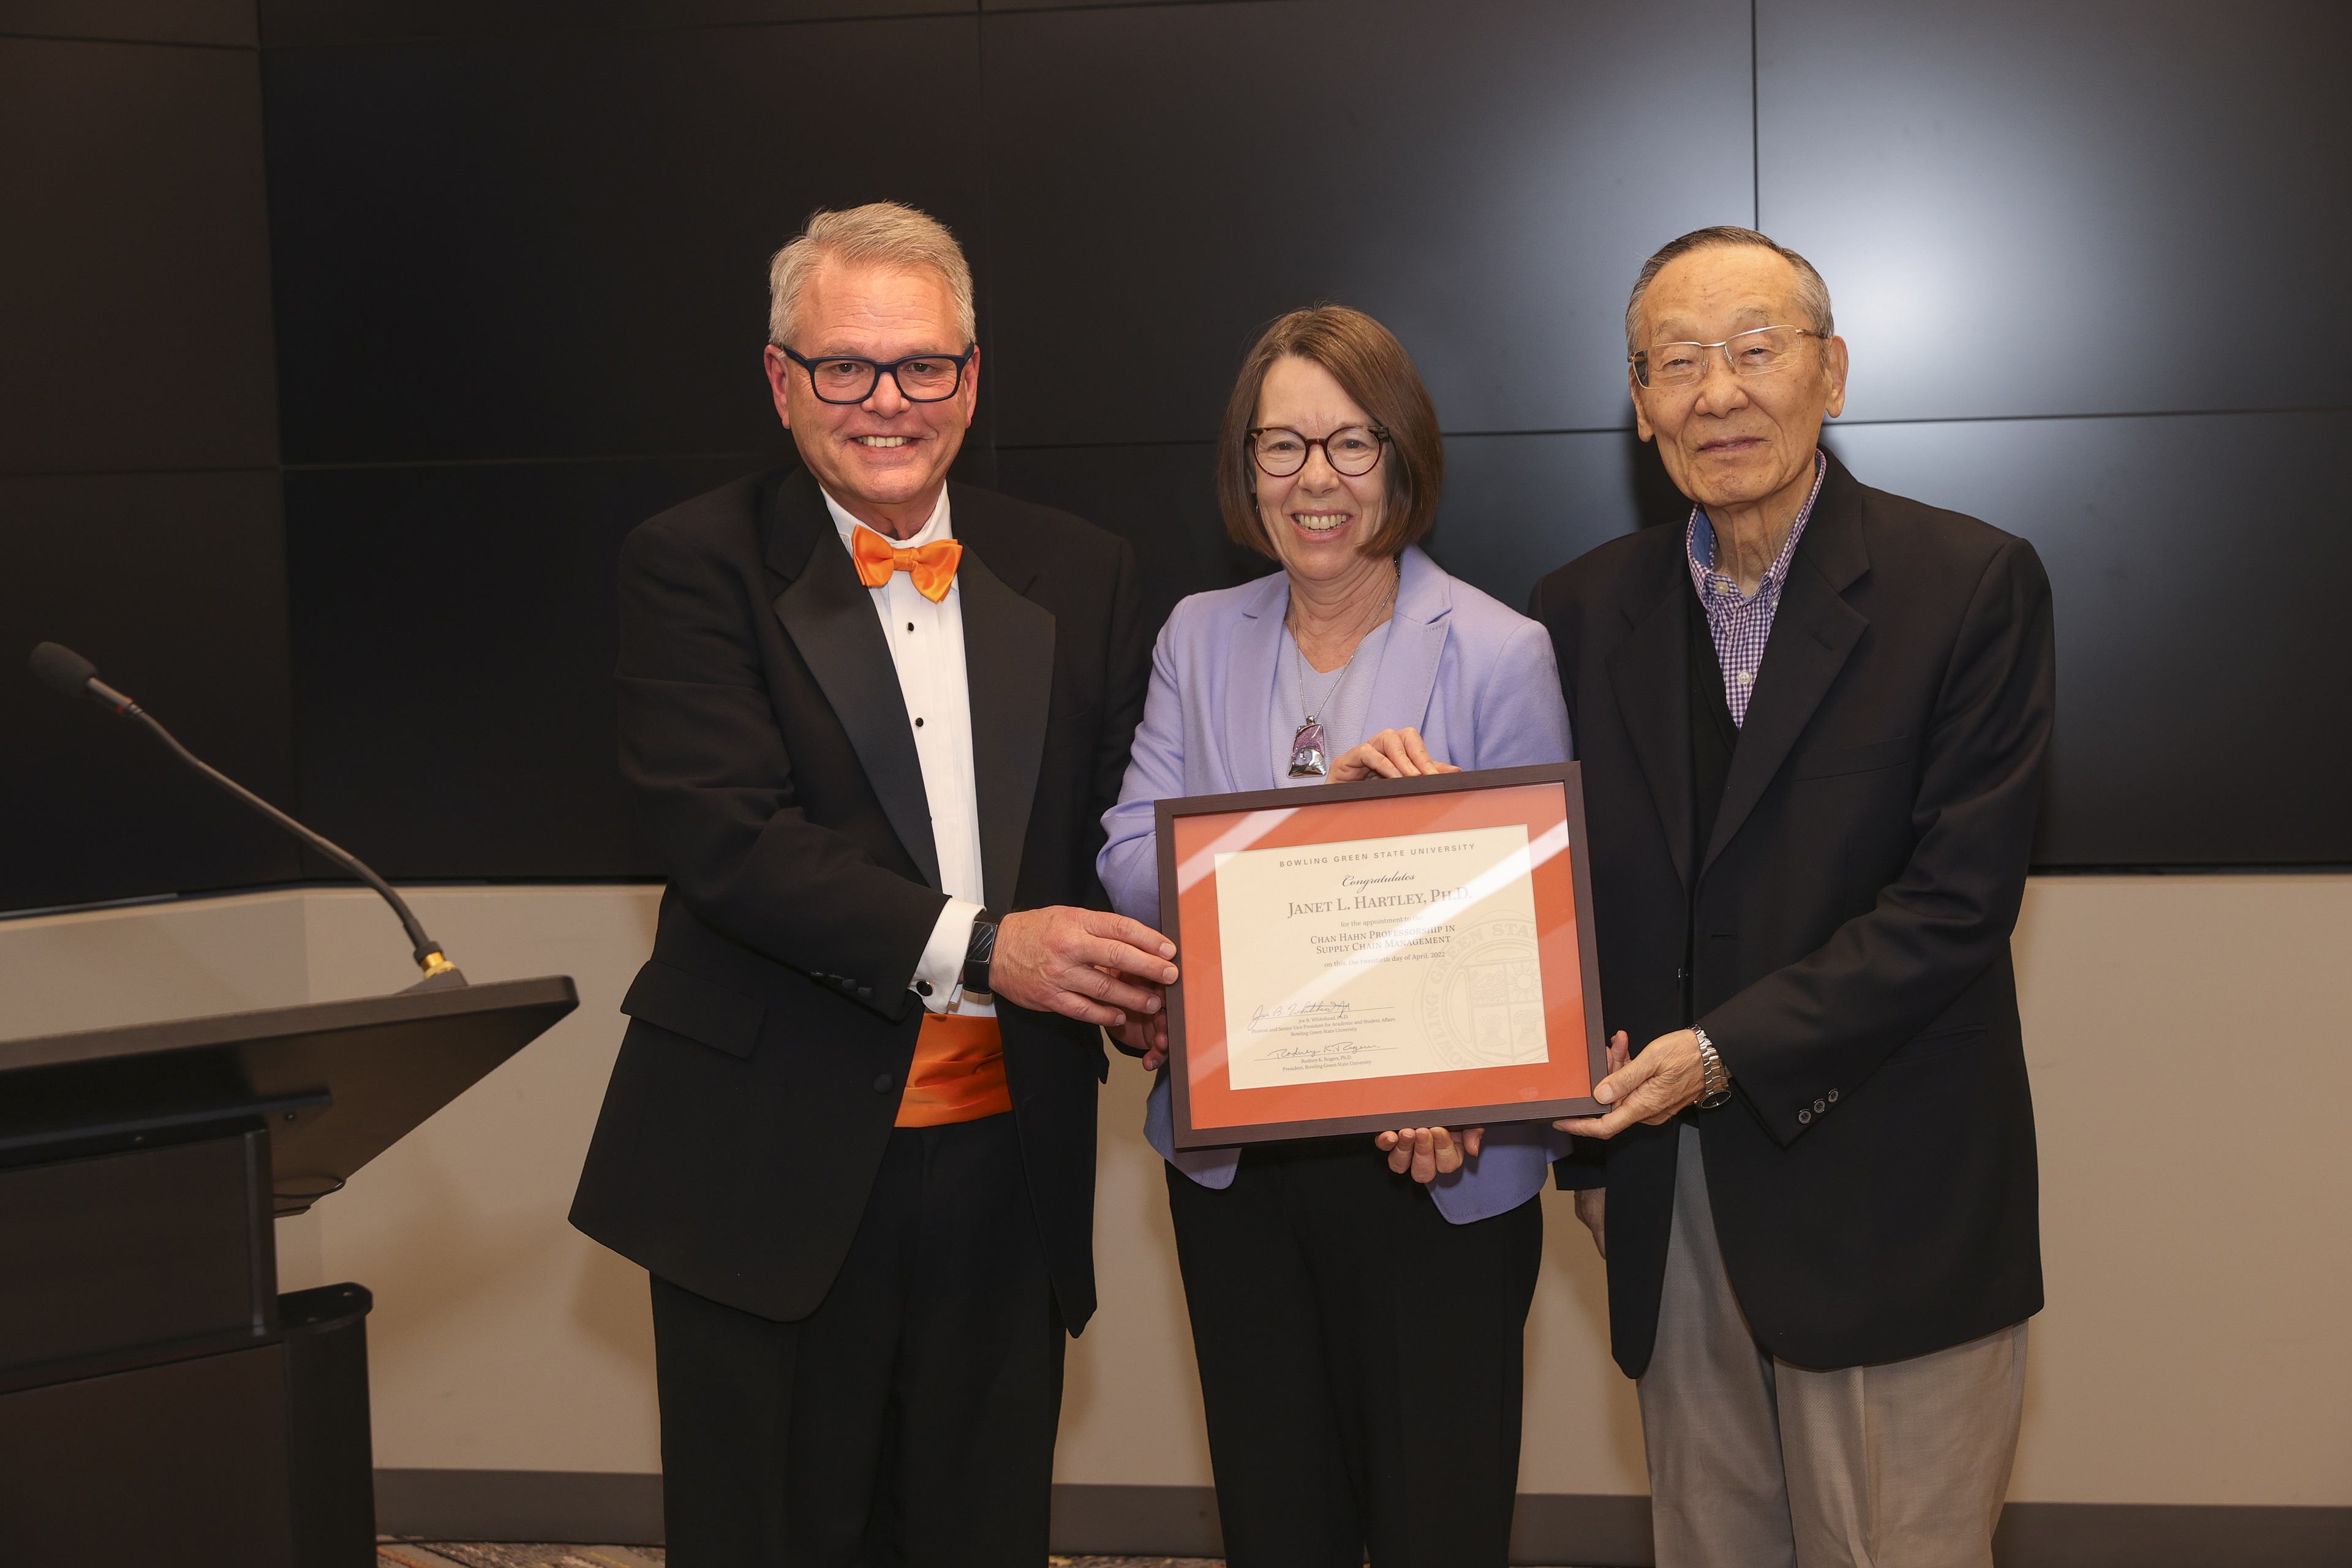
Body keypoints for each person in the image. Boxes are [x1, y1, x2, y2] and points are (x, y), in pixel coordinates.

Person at [568, 202, 1175, 1568]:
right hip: (770, 1163)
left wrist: (1152, 974)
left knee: (981, 1526)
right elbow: (729, 840)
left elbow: (1116, 831)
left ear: (972, 374)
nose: (887, 401)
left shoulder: (1079, 567)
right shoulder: (693, 562)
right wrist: (992, 947)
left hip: (1008, 1166)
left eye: (922, 366)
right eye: (846, 365)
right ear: (781, 380)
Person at [1529, 226, 2055, 1568]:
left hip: (1888, 1194)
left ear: (1832, 372)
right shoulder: (1582, 612)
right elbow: (1545, 892)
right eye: (1678, 362)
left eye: (1757, 350)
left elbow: (1954, 904)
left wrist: (1717, 1052)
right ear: (1640, 405)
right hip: (1669, 1189)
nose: (1720, 392)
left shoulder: (1969, 586)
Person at [1097, 304, 1572, 1568]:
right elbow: (1127, 863)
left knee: (1436, 1521)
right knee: (1276, 1516)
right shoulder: (1199, 634)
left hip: (1436, 1165)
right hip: (1242, 1168)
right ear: (1244, 468)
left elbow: (1541, 922)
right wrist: (1315, 827)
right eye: (1281, 446)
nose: (1316, 480)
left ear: (1402, 456)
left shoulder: (1498, 647)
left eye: (1351, 444)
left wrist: (1468, 1093)